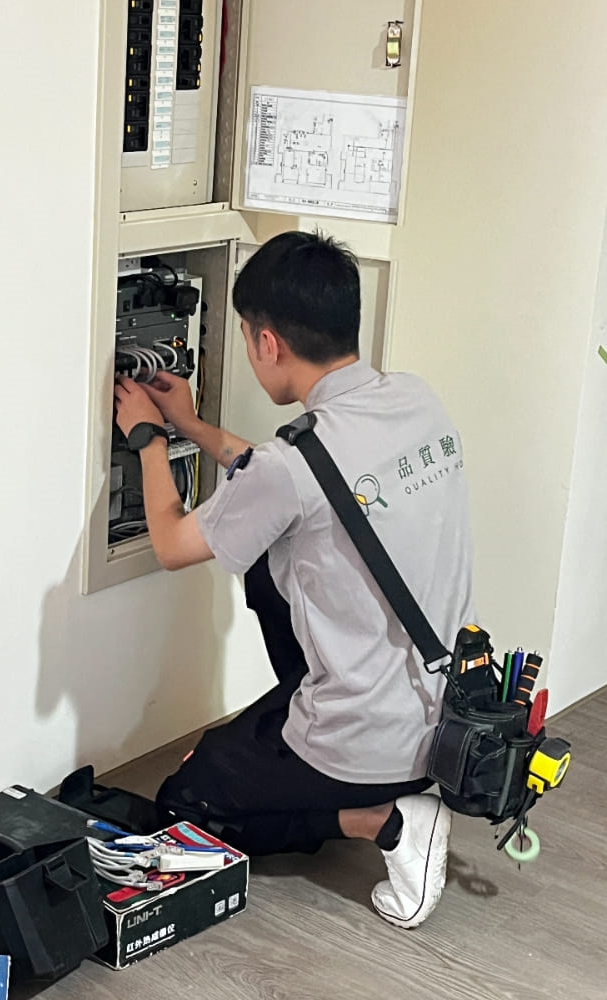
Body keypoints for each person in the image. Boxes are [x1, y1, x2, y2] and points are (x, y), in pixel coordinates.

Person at [113, 230, 475, 928]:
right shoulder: (415, 399)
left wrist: (149, 438)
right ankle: (359, 779)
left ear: (268, 342)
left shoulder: (292, 465)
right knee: (272, 560)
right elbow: (296, 484)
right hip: (441, 715)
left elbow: (173, 545)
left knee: (186, 804)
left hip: (363, 738)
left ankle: (386, 821)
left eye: (247, 338)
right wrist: (191, 422)